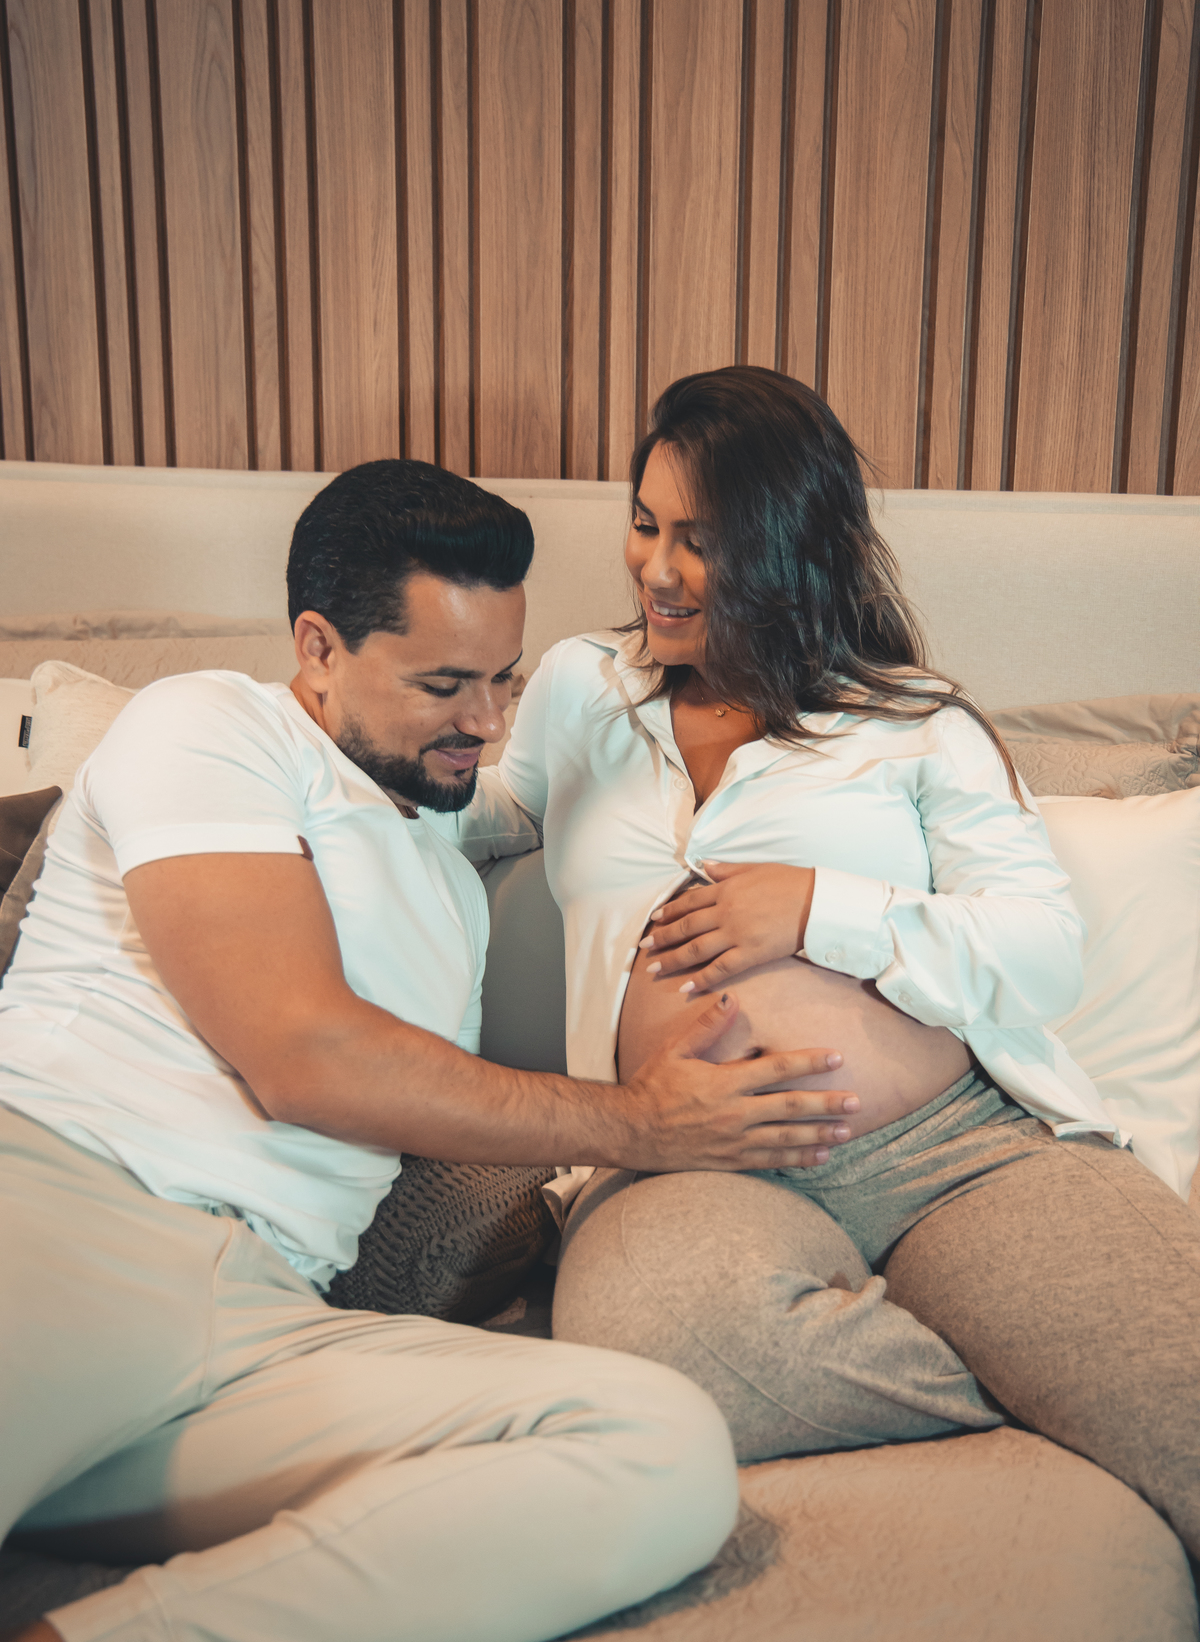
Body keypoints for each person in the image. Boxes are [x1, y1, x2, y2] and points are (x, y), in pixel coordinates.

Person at [0, 459, 858, 1642]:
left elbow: (534, 817)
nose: (488, 722)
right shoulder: (209, 725)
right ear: (318, 648)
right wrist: (645, 1123)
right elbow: (306, 1056)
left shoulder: (442, 855)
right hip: (67, 1219)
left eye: (505, 678)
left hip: (263, 1321)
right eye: (444, 684)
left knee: (655, 1445)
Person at [437, 369, 1200, 1558]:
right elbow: (504, 812)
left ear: (794, 549)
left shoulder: (916, 723)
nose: (656, 569)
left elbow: (1043, 953)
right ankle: (1047, 1389)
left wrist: (817, 908)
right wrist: (365, 765)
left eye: (702, 541)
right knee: (669, 1343)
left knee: (1179, 1382)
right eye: (645, 524)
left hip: (953, 1151)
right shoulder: (585, 688)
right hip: (687, 1154)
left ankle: (1084, 1373)